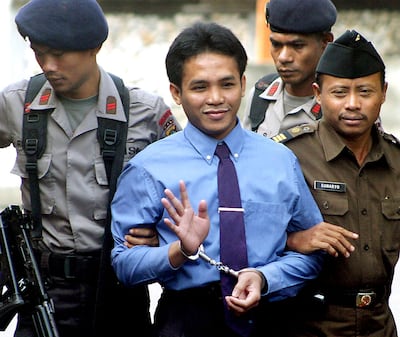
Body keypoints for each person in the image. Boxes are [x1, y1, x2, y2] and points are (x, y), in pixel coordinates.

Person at [111, 21, 331, 337]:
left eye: (226, 84)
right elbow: (124, 265)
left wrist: (265, 278)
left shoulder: (280, 160)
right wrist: (179, 252)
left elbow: (312, 254)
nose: (216, 98)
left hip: (275, 318)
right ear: (176, 92)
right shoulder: (148, 169)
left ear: (243, 83)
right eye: (200, 87)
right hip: (186, 320)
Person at [0, 0, 181, 336]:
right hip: (43, 289)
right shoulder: (16, 103)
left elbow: (189, 189)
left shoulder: (144, 112)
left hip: (117, 288)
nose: (49, 66)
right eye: (39, 53)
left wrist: (162, 235)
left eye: (60, 54)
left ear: (94, 48)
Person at [283, 29, 399, 336]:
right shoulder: (288, 156)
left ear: (383, 92)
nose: (352, 104)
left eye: (364, 92)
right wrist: (295, 240)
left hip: (379, 324)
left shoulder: (396, 160)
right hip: (309, 324)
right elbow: (245, 239)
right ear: (318, 94)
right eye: (339, 93)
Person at [242, 0, 336, 138]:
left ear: (326, 42)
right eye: (276, 44)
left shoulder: (341, 105)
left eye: (297, 45)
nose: (284, 57)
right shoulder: (260, 96)